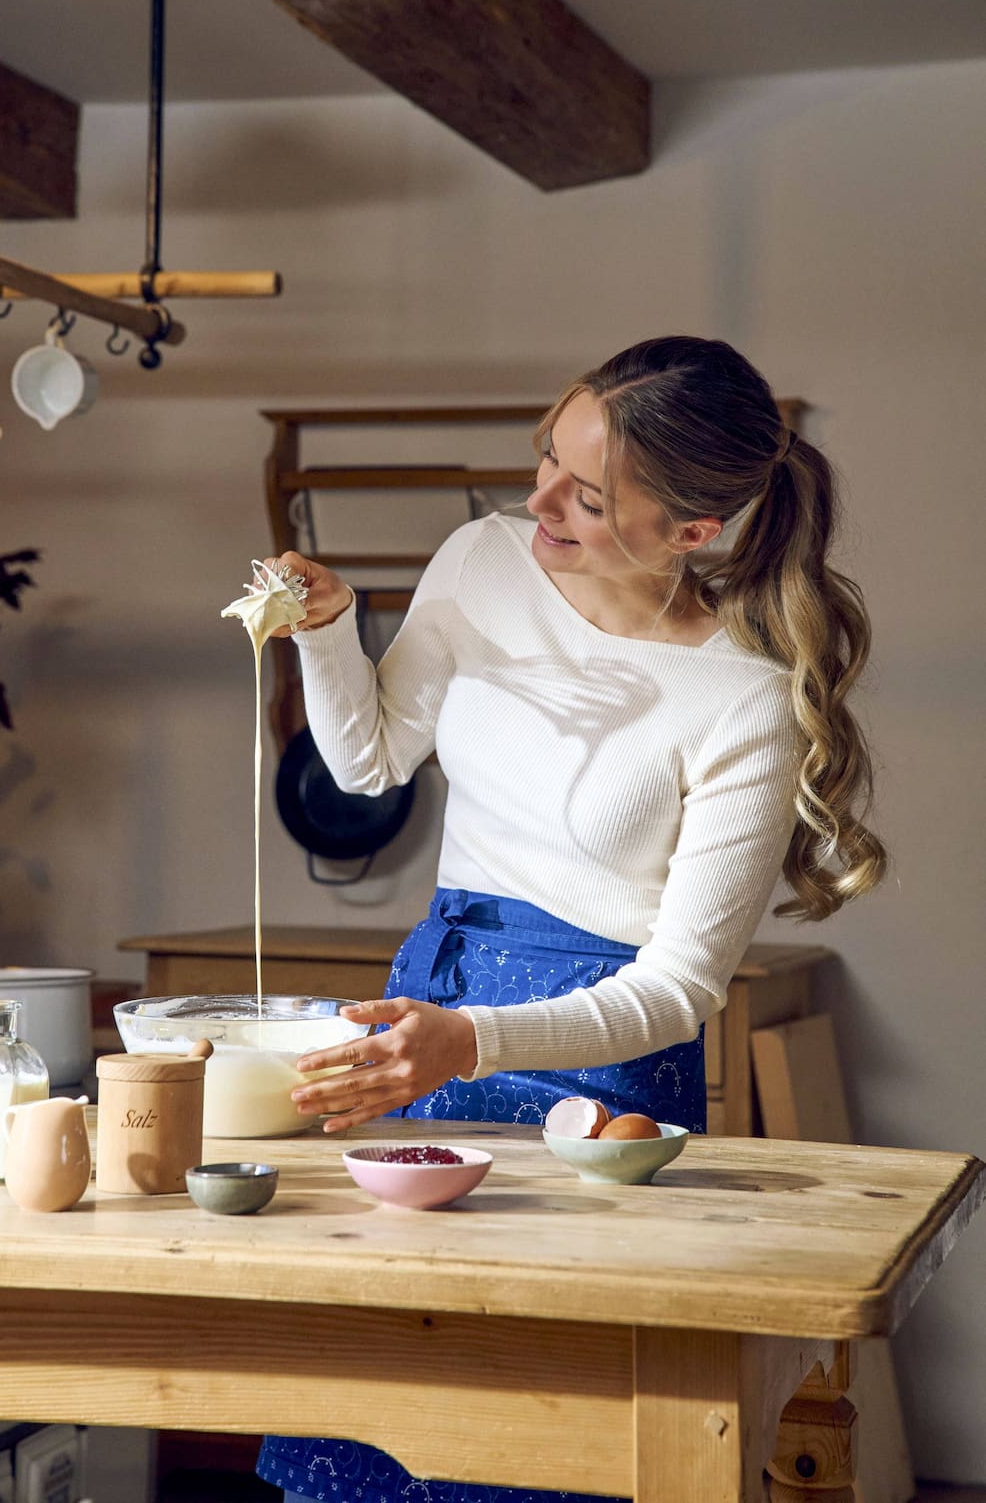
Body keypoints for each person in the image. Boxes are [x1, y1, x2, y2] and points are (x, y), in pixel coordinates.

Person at [255, 335, 887, 1503]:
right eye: (545, 458)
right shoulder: (479, 558)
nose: (536, 498)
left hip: (597, 1078)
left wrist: (476, 1039)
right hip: (426, 1012)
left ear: (692, 531)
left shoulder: (747, 696)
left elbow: (682, 989)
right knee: (368, 1434)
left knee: (543, 1449)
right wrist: (331, 627)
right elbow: (370, 764)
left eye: (586, 496)